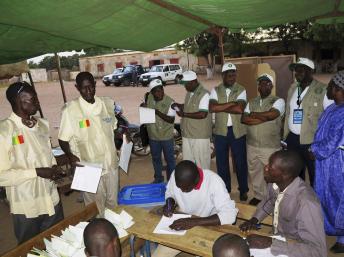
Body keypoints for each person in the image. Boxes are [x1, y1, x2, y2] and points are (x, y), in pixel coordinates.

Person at [0, 82, 64, 243]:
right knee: (30, 249)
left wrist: (53, 167)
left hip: (51, 198)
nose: (37, 102)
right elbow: (2, 176)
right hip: (27, 205)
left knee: (57, 242)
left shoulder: (42, 124)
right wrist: (36, 172)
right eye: (32, 99)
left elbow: (48, 156)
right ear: (18, 101)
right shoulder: (5, 131)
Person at [239, 150, 327, 257]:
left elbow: (318, 251)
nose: (265, 168)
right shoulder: (275, 184)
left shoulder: (307, 203)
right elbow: (270, 201)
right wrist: (255, 219)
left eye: (270, 168)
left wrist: (272, 243)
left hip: (294, 248)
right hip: (278, 239)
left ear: (285, 175)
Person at [58, 72, 119, 216]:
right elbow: (63, 139)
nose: (88, 91)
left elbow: (113, 129)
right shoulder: (70, 110)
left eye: (91, 87)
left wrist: (121, 136)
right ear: (77, 87)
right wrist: (70, 155)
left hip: (110, 165)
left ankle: (113, 234)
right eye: (84, 88)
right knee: (94, 208)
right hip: (88, 167)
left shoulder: (107, 104)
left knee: (113, 205)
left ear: (95, 85)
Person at [152, 160, 238, 257]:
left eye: (185, 188)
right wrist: (170, 202)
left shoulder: (214, 182)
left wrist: (194, 221)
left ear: (197, 179)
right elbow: (170, 192)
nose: (181, 190)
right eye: (179, 186)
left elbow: (230, 215)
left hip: (208, 226)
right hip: (183, 223)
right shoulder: (176, 174)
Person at [284, 57, 333, 186]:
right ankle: (299, 198)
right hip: (293, 139)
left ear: (310, 71)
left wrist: (322, 143)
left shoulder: (323, 90)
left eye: (301, 70)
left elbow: (331, 118)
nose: (297, 73)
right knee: (295, 173)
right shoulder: (293, 87)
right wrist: (285, 137)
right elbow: (288, 112)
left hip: (312, 140)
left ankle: (316, 202)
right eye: (295, 70)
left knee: (315, 174)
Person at [311, 71, 344, 253]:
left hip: (338, 165)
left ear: (337, 88)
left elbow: (334, 140)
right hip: (325, 164)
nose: (328, 90)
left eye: (330, 86)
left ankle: (343, 238)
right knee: (325, 197)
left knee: (340, 200)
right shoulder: (332, 108)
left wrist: (314, 150)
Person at [241, 73, 285, 206]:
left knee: (272, 173)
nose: (263, 85)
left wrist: (254, 115)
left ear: (271, 86)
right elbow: (244, 119)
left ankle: (274, 198)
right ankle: (259, 196)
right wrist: (263, 118)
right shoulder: (252, 101)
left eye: (266, 83)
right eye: (260, 83)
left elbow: (273, 115)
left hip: (270, 146)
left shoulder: (278, 101)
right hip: (252, 145)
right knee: (255, 172)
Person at [209, 62, 249, 201]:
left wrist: (222, 106)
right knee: (222, 163)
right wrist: (232, 103)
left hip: (237, 132)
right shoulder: (215, 90)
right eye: (229, 75)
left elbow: (240, 109)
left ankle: (243, 190)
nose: (232, 77)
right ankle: (225, 189)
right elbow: (212, 107)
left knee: (240, 163)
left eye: (234, 74)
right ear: (223, 75)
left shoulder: (241, 89)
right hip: (220, 132)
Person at [172, 71, 212, 169]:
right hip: (187, 134)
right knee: (188, 163)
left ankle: (204, 183)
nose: (185, 87)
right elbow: (189, 106)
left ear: (193, 81)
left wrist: (184, 114)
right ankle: (192, 183)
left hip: (199, 136)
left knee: (202, 164)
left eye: (186, 84)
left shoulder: (204, 94)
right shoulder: (189, 93)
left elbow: (203, 114)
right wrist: (179, 106)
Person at [144, 79, 176, 183]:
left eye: (161, 90)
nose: (160, 93)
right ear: (152, 92)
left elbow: (171, 120)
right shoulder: (149, 97)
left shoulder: (170, 102)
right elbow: (147, 105)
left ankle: (171, 181)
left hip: (166, 136)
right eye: (156, 91)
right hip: (153, 136)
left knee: (170, 160)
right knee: (156, 159)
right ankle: (158, 178)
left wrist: (157, 112)